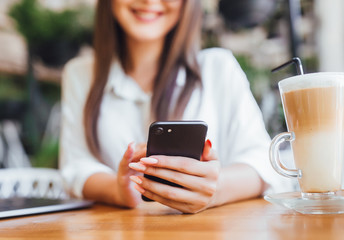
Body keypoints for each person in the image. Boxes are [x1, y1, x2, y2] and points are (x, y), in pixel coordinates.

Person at [60, 0, 282, 214]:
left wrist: (216, 188)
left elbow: (262, 163)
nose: (149, 1)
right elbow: (76, 167)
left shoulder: (219, 68)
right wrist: (119, 190)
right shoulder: (81, 75)